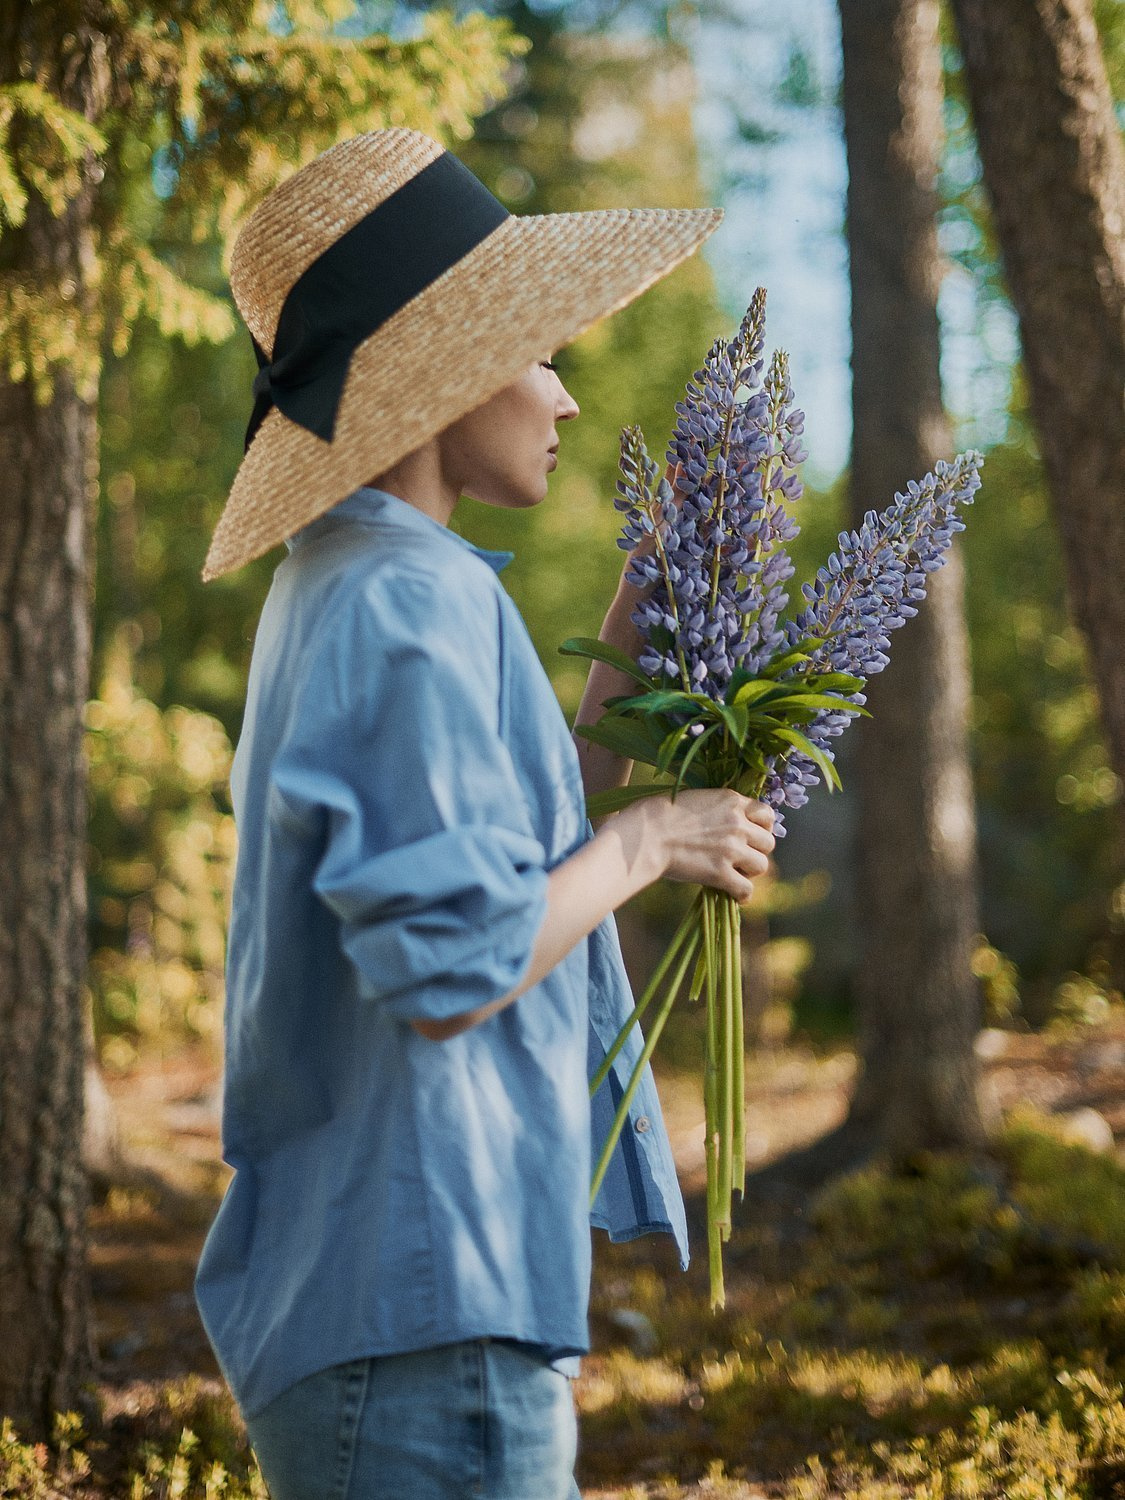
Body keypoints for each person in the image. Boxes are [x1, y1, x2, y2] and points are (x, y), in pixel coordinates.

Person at [194, 128, 776, 1500]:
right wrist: (655, 839)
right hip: (423, 1309)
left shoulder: (354, 579)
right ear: (443, 370)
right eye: (542, 353)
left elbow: (492, 861)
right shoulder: (409, 600)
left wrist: (641, 620)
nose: (565, 394)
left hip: (393, 1301)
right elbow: (457, 959)